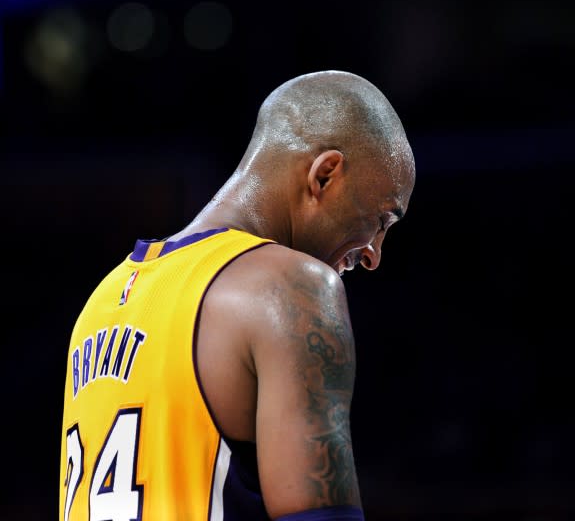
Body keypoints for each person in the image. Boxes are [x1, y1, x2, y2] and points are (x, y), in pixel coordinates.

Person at [58, 70, 416, 521]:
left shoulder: (103, 300)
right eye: (383, 220)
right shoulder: (293, 288)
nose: (374, 255)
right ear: (325, 175)